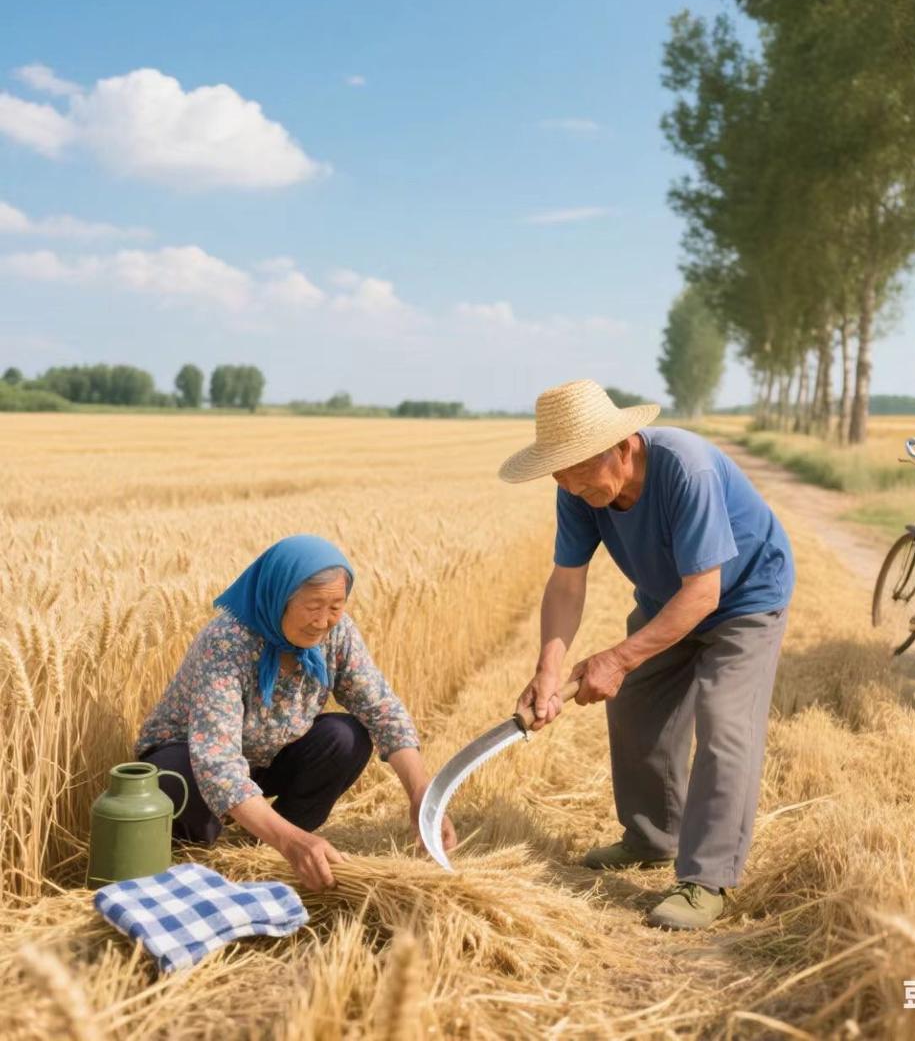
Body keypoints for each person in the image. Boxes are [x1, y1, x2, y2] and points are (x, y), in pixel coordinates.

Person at [500, 379, 794, 930]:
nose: (569, 482)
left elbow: (705, 593)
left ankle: (708, 878)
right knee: (635, 704)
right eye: (559, 471)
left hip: (746, 597)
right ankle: (652, 835)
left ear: (625, 444)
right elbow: (567, 584)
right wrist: (548, 668)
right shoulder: (577, 489)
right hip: (669, 598)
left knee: (726, 722)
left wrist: (617, 657)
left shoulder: (687, 469)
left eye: (579, 467)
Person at [136, 534, 455, 890]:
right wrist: (289, 840)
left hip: (265, 757)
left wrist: (421, 794)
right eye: (313, 605)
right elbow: (217, 762)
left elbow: (382, 709)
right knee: (175, 776)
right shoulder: (228, 641)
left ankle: (269, 848)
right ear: (279, 598)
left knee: (345, 737)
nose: (323, 621)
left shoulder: (338, 635)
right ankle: (205, 855)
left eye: (336, 606)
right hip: (190, 764)